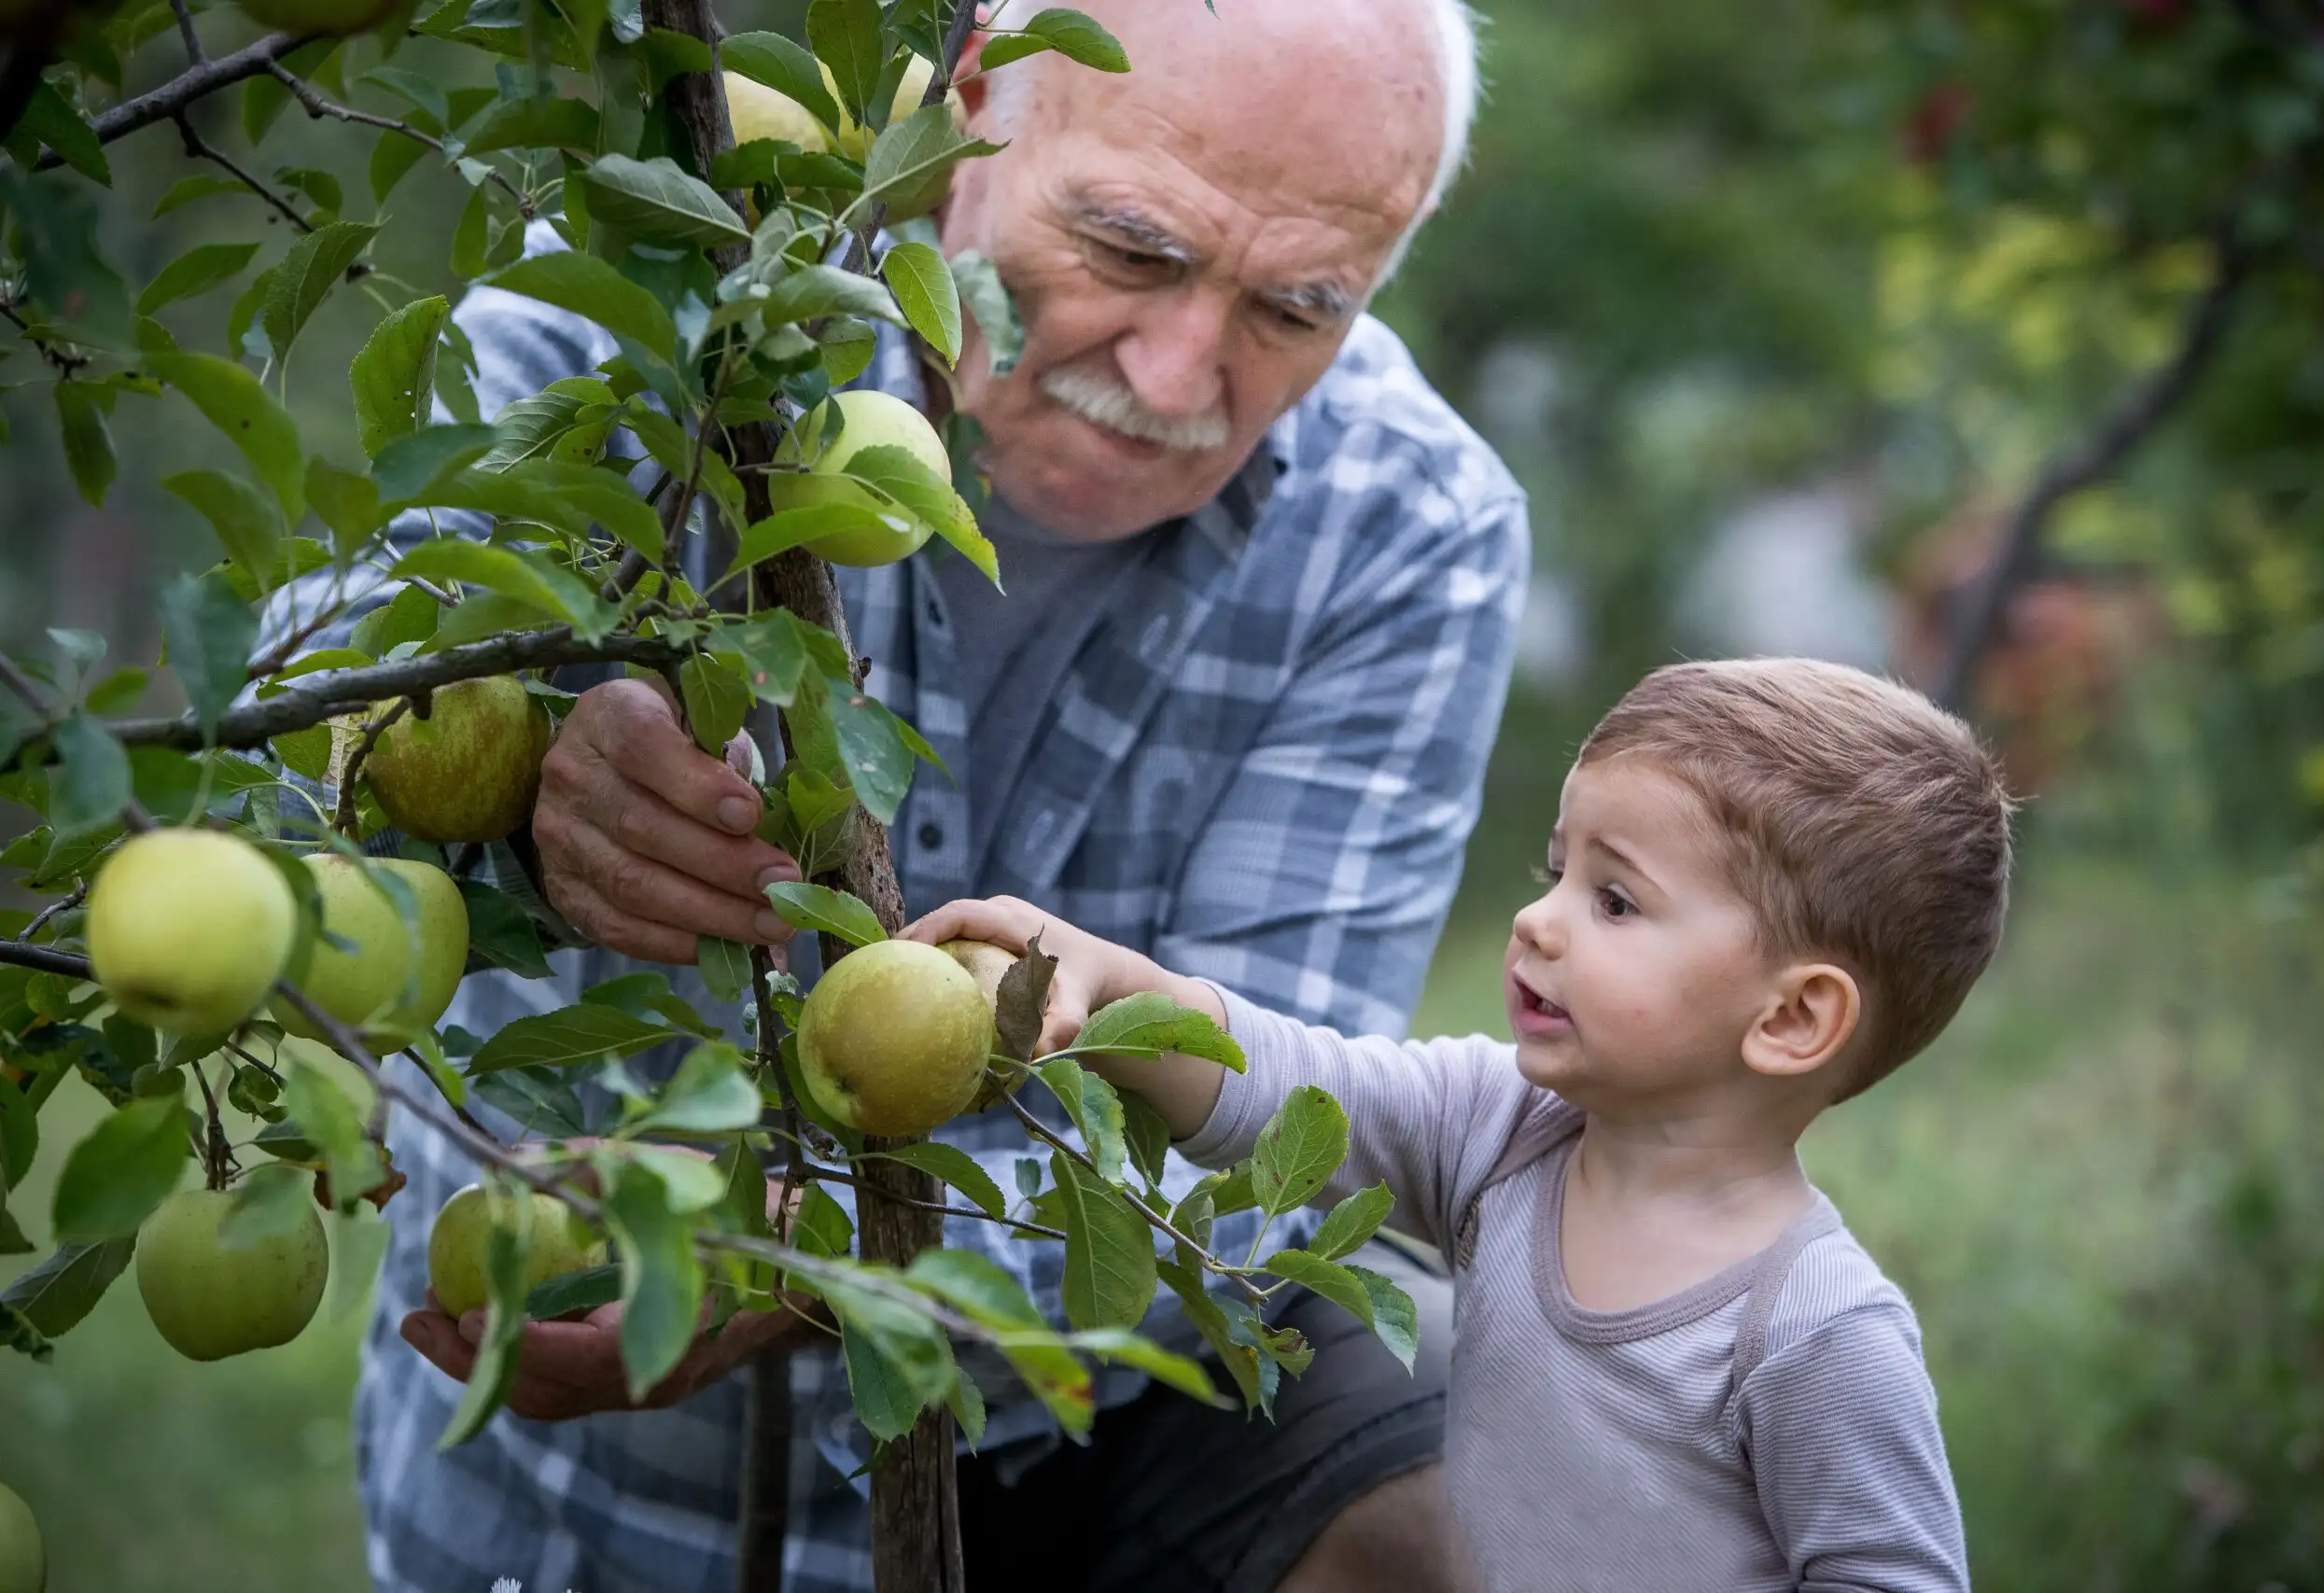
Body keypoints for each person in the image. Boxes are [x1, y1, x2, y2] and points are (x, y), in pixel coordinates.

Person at [352, 0, 1532, 1588]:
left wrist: (814, 1237)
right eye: (1130, 246)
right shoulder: (659, 307)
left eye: (1301, 307)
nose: (1181, 369)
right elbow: (308, 678)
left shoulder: (1414, 520)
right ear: (971, 106)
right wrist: (504, 758)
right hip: (573, 1501)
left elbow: (1265, 1150)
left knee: (1481, 1465)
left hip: (1066, 1452)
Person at [905, 657, 2012, 1593]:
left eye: (1613, 900)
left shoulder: (1814, 1334)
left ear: (1791, 1017)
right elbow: (1290, 1085)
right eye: (1555, 870)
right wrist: (1104, 985)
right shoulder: (1508, 1130)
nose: (1537, 919)